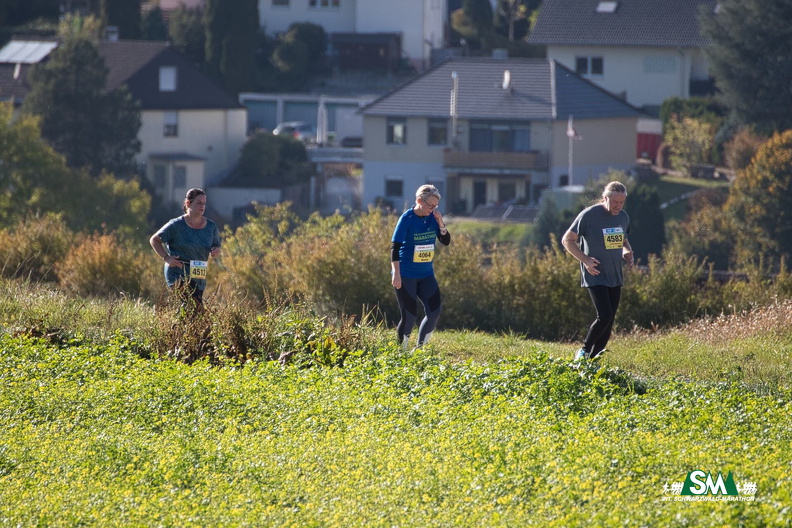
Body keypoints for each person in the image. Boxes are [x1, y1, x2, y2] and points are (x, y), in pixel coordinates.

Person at [561, 181, 634, 361]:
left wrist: (627, 253)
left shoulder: (623, 217)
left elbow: (623, 241)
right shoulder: (589, 215)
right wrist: (585, 260)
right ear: (605, 198)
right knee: (605, 315)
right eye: (615, 202)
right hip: (595, 274)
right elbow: (567, 240)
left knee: (609, 321)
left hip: (615, 275)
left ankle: (594, 360)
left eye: (621, 202)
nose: (618, 206)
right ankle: (584, 352)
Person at [391, 185, 451, 350]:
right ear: (419, 201)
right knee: (409, 316)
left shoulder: (433, 218)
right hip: (406, 274)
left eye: (435, 206)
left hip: (426, 274)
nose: (433, 209)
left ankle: (420, 350)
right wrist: (396, 273)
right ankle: (401, 353)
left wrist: (441, 224)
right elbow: (395, 248)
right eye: (430, 205)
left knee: (434, 312)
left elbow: (445, 241)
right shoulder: (407, 219)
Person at [150, 188, 221, 307]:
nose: (202, 206)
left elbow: (216, 246)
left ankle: (172, 320)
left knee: (191, 310)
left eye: (204, 203)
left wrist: (216, 250)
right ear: (188, 203)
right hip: (178, 272)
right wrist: (166, 258)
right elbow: (154, 240)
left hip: (198, 273)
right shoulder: (176, 225)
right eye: (198, 202)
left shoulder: (211, 227)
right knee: (194, 306)